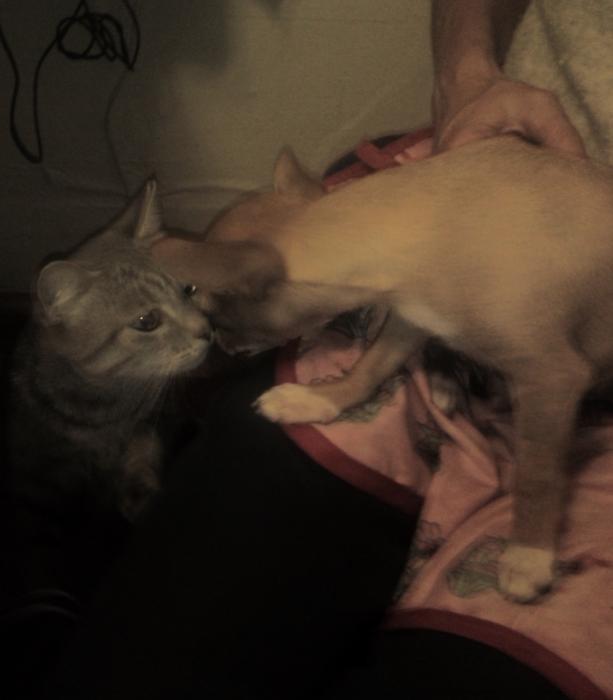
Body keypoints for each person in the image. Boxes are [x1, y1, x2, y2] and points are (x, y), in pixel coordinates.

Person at [38, 3, 612, 698]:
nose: (217, 337)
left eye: (224, 314)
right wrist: (465, 70)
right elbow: (415, 293)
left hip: (565, 360)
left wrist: (533, 527)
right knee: (221, 532)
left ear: (254, 285)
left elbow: (555, 374)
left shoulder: (490, 290)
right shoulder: (420, 241)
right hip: (499, 176)